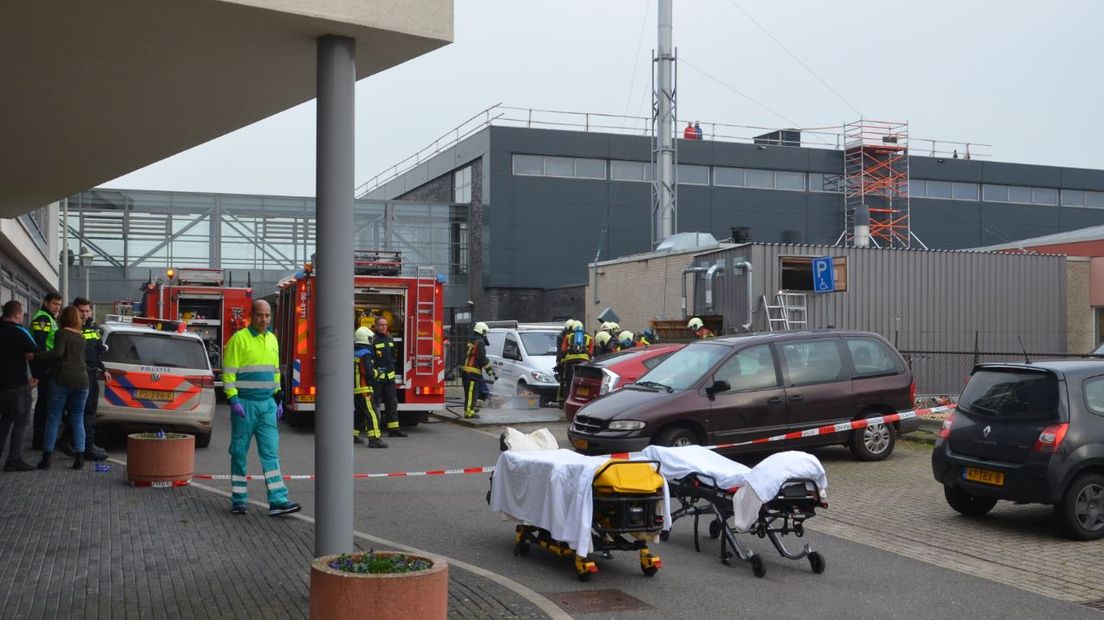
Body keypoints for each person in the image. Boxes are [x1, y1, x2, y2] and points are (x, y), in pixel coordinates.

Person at [223, 300, 300, 516]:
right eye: (260, 315)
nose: (264, 319)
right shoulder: (239, 340)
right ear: (251, 315)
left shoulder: (273, 339)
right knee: (239, 452)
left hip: (267, 405)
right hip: (244, 404)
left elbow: (275, 371)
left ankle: (278, 500)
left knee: (270, 453)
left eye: (267, 315)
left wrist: (277, 396)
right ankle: (239, 499)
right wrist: (233, 399)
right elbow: (228, 374)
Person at [29, 305, 88, 470]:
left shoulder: (62, 333)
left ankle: (46, 459)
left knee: (54, 418)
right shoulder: (82, 337)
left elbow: (57, 353)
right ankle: (79, 459)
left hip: (62, 380)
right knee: (77, 419)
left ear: (63, 318)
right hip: (82, 381)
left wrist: (35, 356)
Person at [60, 298, 108, 461]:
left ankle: (73, 442)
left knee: (88, 412)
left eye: (87, 311)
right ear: (75, 311)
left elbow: (96, 352)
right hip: (81, 375)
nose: (85, 314)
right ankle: (86, 447)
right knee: (85, 412)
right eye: (82, 311)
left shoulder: (94, 328)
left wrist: (103, 368)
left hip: (92, 374)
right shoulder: (72, 329)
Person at [0, 301, 38, 471]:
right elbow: (34, 352)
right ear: (16, 314)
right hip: (16, 385)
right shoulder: (20, 332)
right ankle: (13, 459)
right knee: (21, 420)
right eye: (22, 314)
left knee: (5, 419)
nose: (23, 317)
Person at [30, 292, 62, 450]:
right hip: (45, 368)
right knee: (44, 405)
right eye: (55, 304)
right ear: (46, 302)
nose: (57, 307)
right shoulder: (43, 318)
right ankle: (39, 441)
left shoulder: (50, 318)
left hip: (47, 366)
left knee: (46, 405)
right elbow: (40, 345)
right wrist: (47, 368)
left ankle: (41, 440)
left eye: (59, 305)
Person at [372, 317, 406, 438]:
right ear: (376, 326)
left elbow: (393, 356)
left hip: (389, 379)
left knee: (392, 403)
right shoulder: (373, 340)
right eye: (381, 325)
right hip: (377, 379)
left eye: (385, 325)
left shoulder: (389, 339)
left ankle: (394, 429)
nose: (384, 327)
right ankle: (375, 430)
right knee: (375, 404)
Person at [353, 326, 386, 448]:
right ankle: (374, 439)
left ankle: (353, 435)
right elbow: (368, 373)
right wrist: (379, 372)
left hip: (356, 390)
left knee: (359, 414)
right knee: (372, 413)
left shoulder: (354, 352)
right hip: (364, 389)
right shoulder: (365, 354)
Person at [461, 322, 496, 419]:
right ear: (482, 331)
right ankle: (469, 412)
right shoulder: (479, 342)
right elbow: (482, 358)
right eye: (485, 332)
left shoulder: (472, 341)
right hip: (472, 372)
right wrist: (489, 370)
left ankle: (470, 408)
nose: (486, 335)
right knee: (472, 393)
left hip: (467, 372)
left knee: (470, 393)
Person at [558, 321, 593, 408]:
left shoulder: (567, 336)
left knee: (568, 383)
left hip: (570, 362)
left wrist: (562, 360)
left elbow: (563, 350)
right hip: (583, 362)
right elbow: (590, 352)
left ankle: (567, 404)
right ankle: (582, 404)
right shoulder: (590, 338)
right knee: (581, 383)